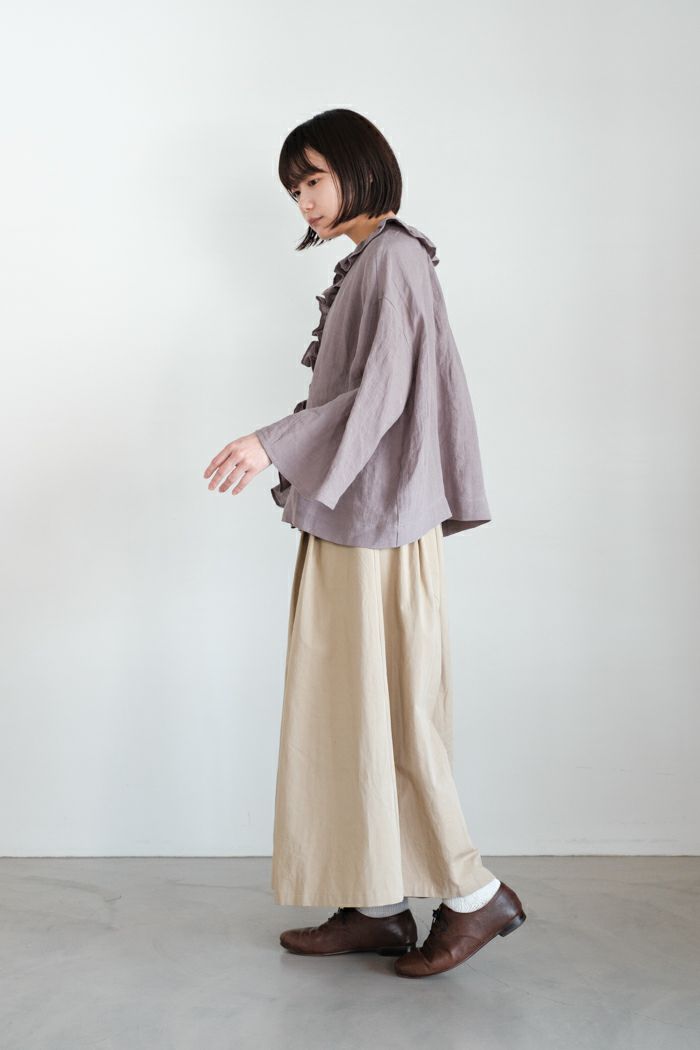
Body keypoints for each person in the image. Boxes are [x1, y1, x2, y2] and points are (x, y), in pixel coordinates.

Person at [203, 108, 526, 978]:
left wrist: (271, 442)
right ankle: (378, 905)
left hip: (379, 525)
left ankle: (474, 895)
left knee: (396, 712)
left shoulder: (395, 260)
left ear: (359, 166)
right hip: (353, 512)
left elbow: (382, 395)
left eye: (312, 179)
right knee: (346, 711)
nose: (304, 201)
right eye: (294, 189)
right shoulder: (370, 260)